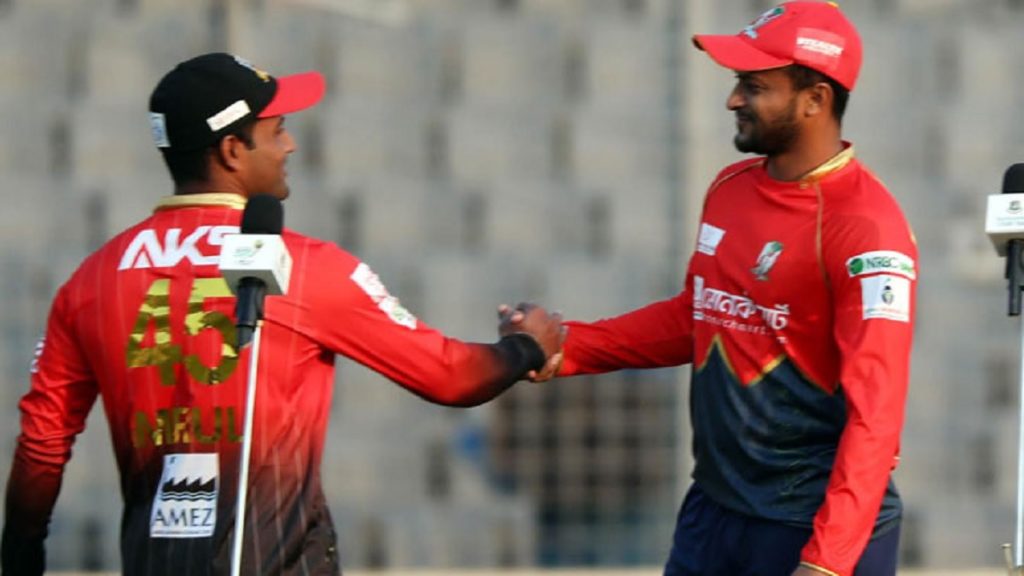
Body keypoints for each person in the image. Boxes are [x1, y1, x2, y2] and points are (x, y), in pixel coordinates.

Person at [1, 52, 562, 576]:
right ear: (231, 151)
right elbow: (451, 376)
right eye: (277, 131)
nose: (290, 145)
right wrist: (526, 346)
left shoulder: (91, 280)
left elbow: (42, 447)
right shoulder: (307, 266)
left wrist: (21, 555)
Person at [503, 2, 916, 575]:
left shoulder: (866, 228)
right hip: (714, 512)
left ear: (814, 99)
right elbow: (696, 318)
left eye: (754, 86)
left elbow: (877, 413)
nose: (733, 100)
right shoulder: (731, 187)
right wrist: (562, 345)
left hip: (809, 529)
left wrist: (827, 561)